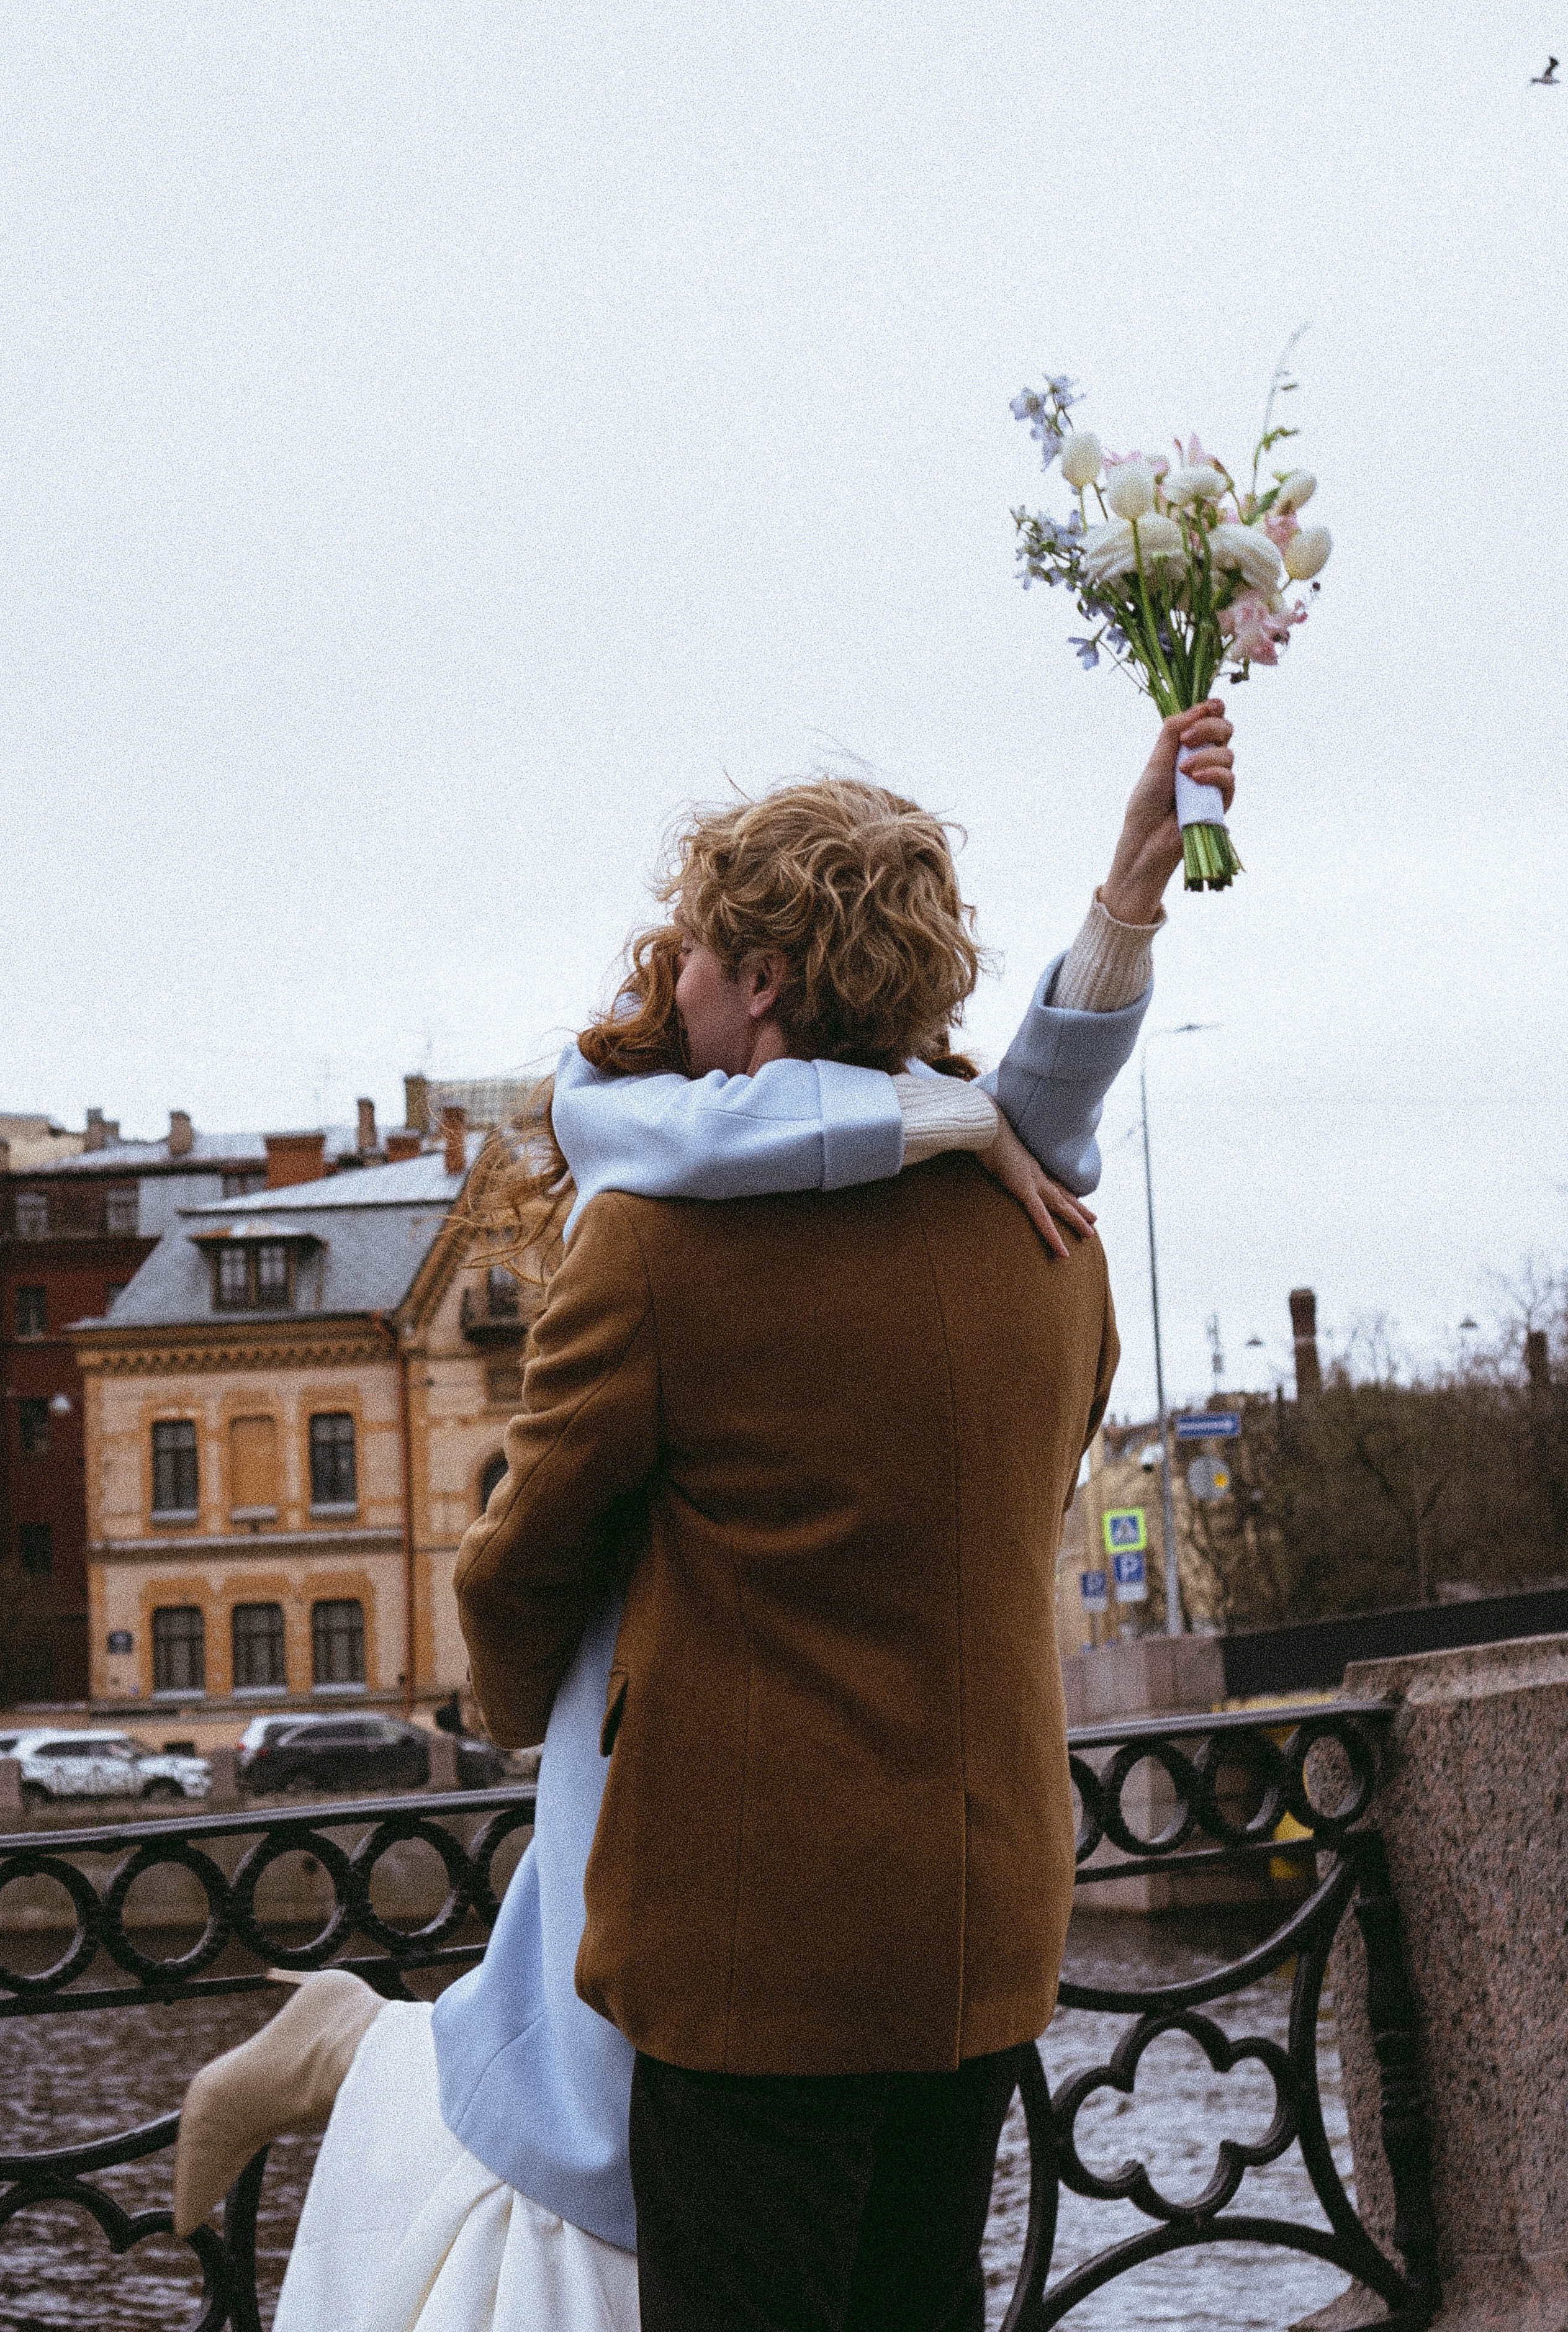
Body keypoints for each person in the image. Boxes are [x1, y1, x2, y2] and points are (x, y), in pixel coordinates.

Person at [171, 703, 1234, 2332]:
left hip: (758, 1959)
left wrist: (523, 1704)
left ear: (767, 985)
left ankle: (353, 2048)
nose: (670, 985)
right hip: (984, 1921)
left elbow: (529, 1559)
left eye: (693, 957)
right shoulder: (1049, 1234)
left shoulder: (659, 1253)